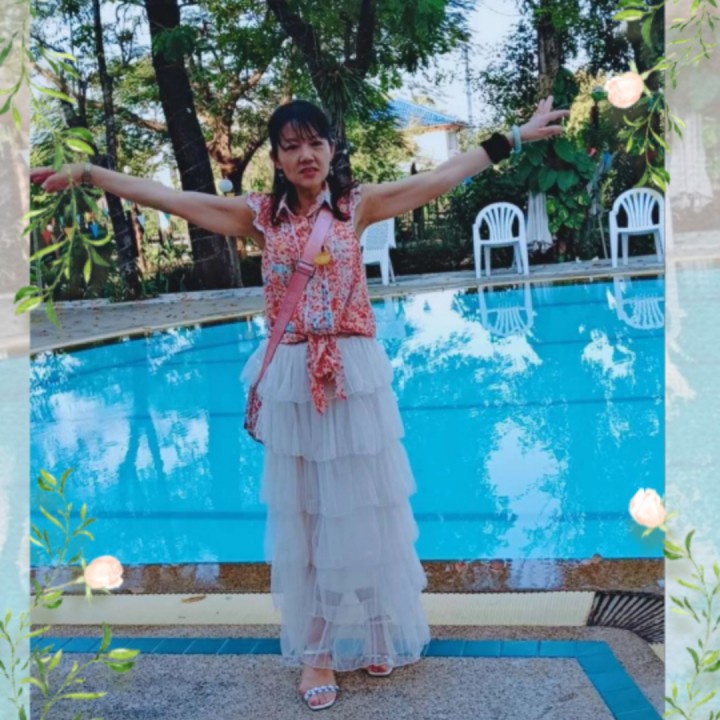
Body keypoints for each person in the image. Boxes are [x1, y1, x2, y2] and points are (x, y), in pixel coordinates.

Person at [30, 96, 568, 711]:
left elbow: (443, 175)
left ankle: (377, 624)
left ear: (332, 148)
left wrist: (514, 137)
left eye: (315, 142)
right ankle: (316, 651)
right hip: (294, 376)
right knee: (309, 520)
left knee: (367, 505)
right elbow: (170, 197)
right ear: (277, 159)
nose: (306, 155)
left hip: (353, 375)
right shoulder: (259, 215)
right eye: (291, 146)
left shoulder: (358, 205)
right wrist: (91, 174)